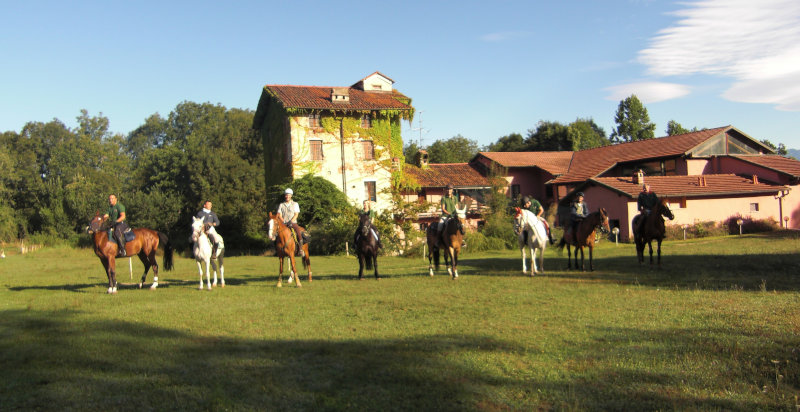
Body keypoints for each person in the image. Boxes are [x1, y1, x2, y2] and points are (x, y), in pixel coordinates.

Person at [276, 188, 308, 257]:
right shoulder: (281, 205)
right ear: (285, 196)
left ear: (291, 196)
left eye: (288, 195)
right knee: (276, 234)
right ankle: (278, 250)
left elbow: (296, 214)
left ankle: (300, 250)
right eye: (286, 195)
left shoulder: (295, 204)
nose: (287, 196)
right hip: (283, 223)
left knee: (299, 234)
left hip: (293, 223)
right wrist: (283, 221)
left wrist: (291, 221)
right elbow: (279, 215)